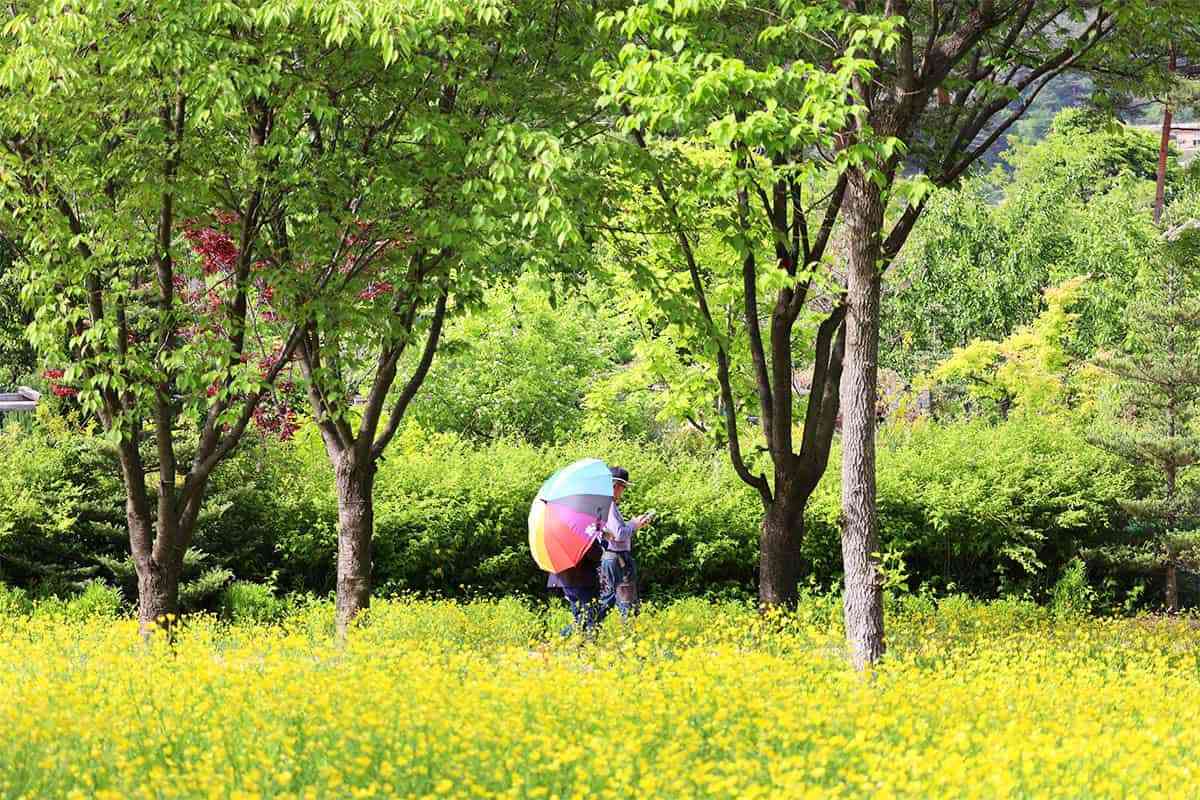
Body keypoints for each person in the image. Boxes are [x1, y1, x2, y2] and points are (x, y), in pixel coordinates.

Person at [598, 466, 653, 619]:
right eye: (623, 487)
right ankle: (580, 629)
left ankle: (583, 629)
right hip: (616, 559)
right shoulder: (608, 506)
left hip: (615, 558)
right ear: (615, 486)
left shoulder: (606, 505)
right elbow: (619, 534)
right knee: (618, 601)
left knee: (617, 601)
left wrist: (634, 524)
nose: (623, 491)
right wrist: (634, 524)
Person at [547, 536, 606, 636]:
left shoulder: (554, 535)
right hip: (583, 581)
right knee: (591, 617)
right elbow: (596, 555)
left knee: (580, 616)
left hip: (565, 579)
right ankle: (567, 637)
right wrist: (603, 543)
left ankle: (568, 639)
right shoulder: (581, 532)